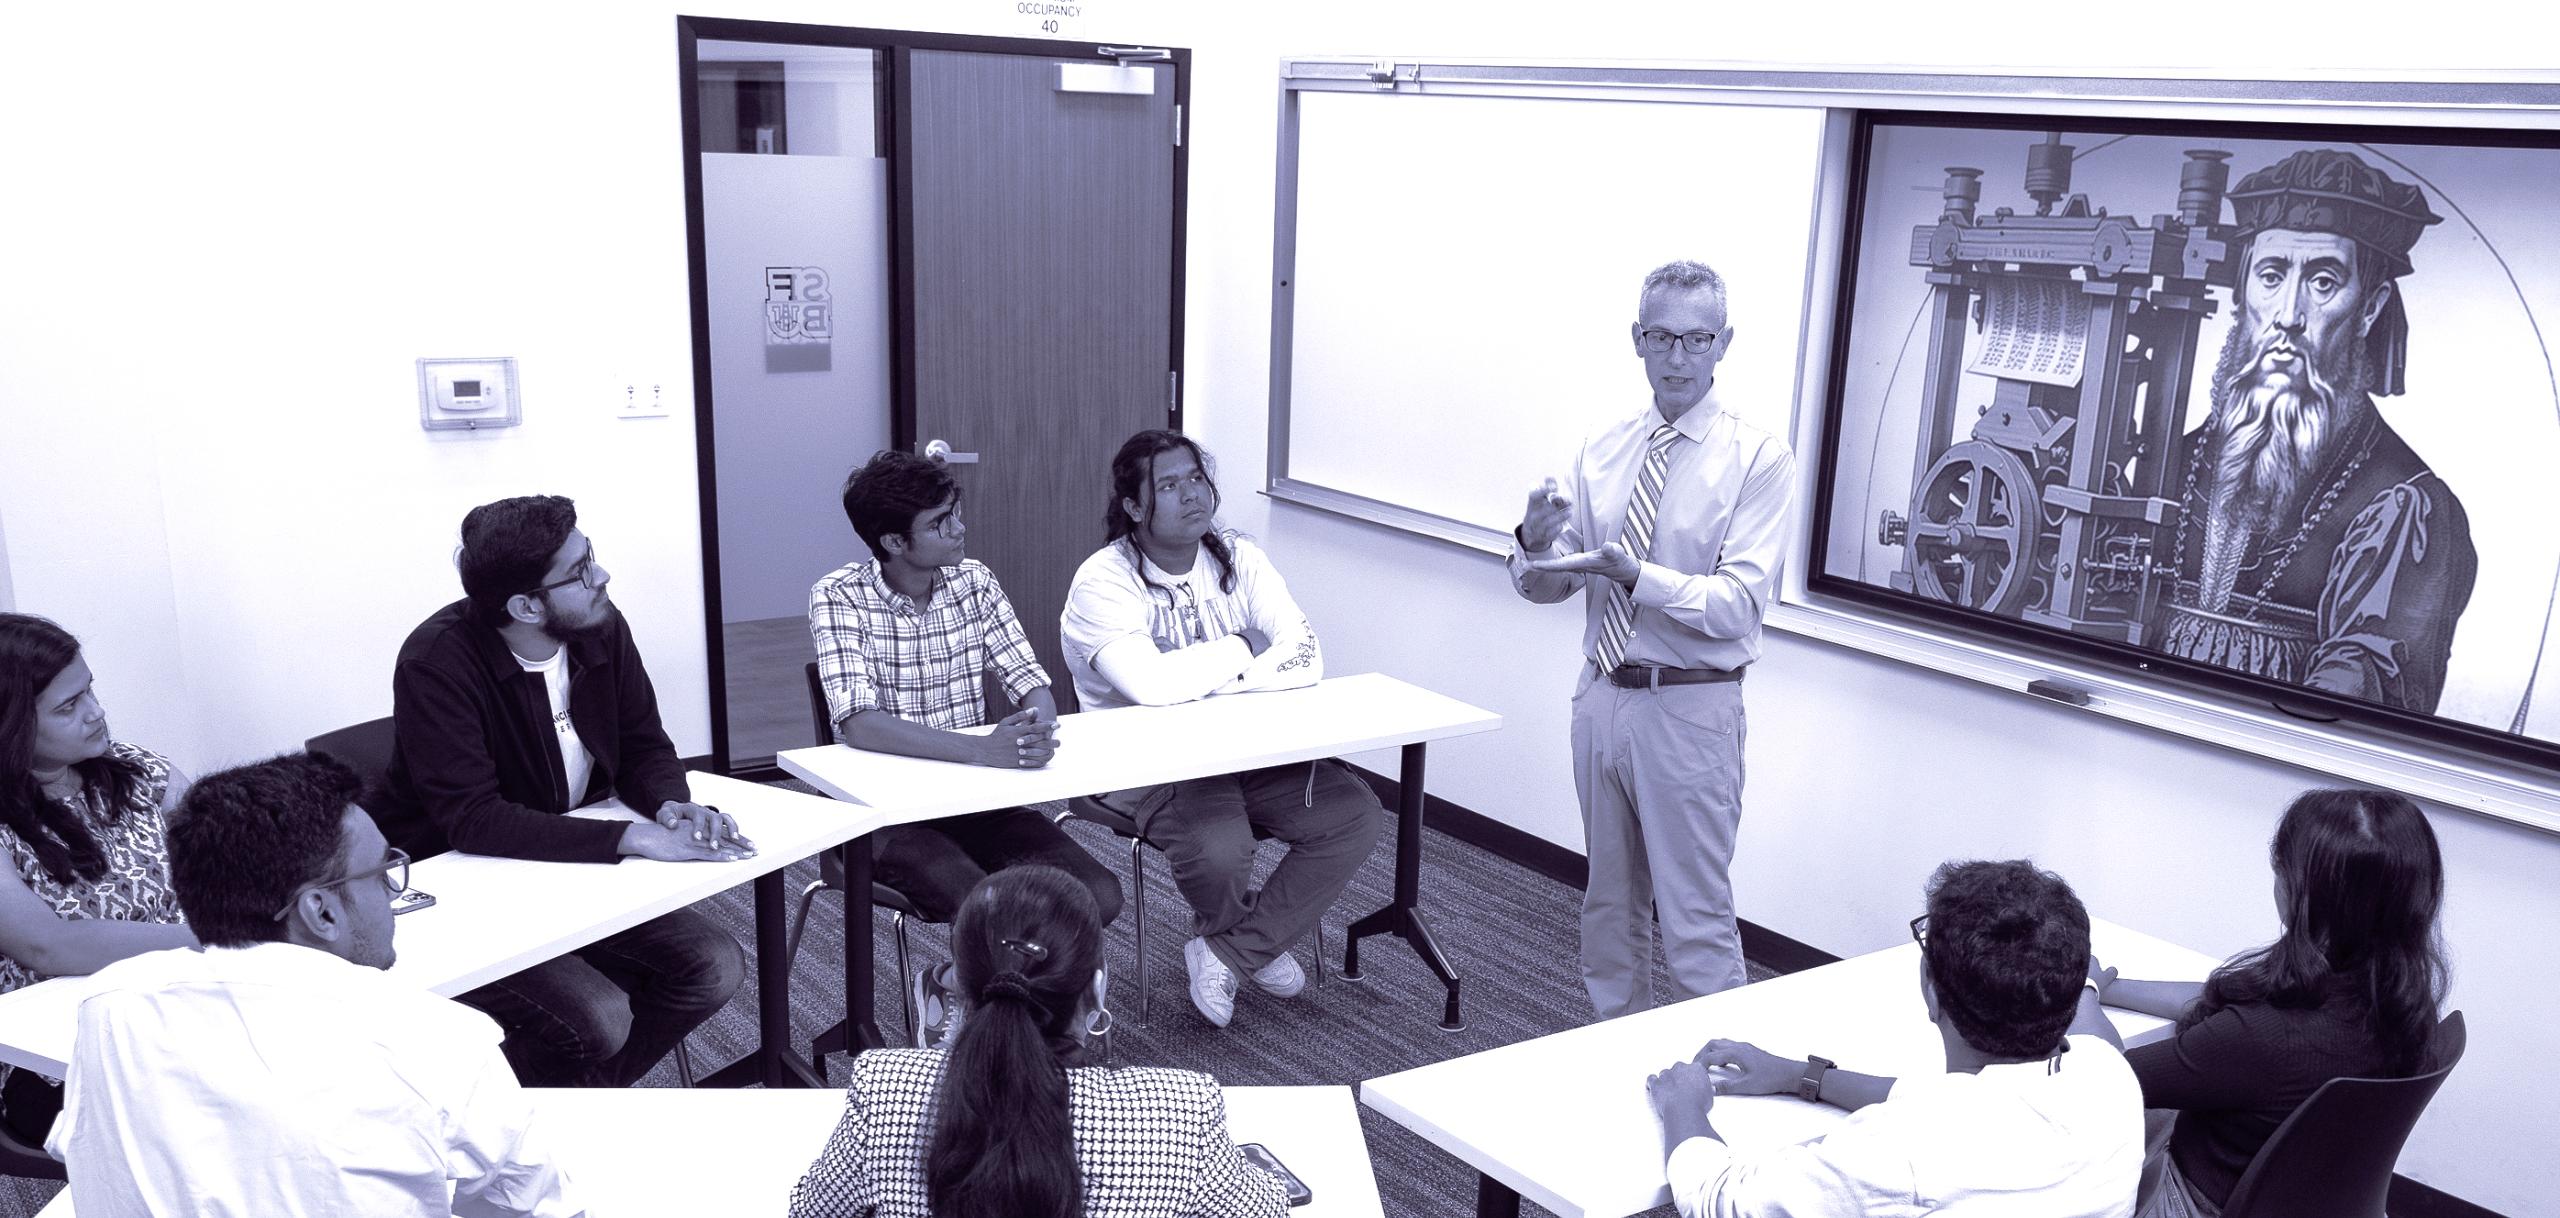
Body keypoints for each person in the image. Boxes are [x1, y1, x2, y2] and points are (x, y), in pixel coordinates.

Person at [49, 752, 582, 1217]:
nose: (392, 894)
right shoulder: (431, 1037)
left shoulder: (109, 1008)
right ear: (320, 911)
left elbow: (83, 1151)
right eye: (379, 873)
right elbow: (537, 1207)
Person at [374, 494, 748, 1086]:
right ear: (525, 605)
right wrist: (633, 836)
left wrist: (670, 802)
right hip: (466, 885)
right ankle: (520, 1120)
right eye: (579, 572)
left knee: (714, 966)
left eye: (591, 556)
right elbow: (474, 819)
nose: (601, 576)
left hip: (566, 869)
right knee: (600, 1019)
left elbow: (644, 744)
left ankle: (574, 1109)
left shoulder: (598, 624)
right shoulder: (436, 661)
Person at [1511, 259, 1795, 1018]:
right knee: (1607, 909)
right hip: (1602, 700)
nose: (1677, 357)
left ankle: (1718, 1095)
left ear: (1723, 343)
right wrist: (1534, 545)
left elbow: (1738, 606)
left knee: (1695, 921)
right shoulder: (1601, 449)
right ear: (1636, 339)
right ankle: (1619, 1070)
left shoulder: (1758, 458)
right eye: (1661, 337)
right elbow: (1549, 585)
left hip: (1691, 710)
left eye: (1695, 339)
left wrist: (1638, 575)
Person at [1059, 430, 1381, 1029]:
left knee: (1353, 815)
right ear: (1134, 507)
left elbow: (1305, 653)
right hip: (1148, 763)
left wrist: (1212, 685)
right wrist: (1242, 645)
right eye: (1169, 485)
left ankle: (1230, 949)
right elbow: (1151, 689)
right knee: (1221, 849)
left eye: (1197, 479)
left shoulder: (1240, 556)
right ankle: (1252, 941)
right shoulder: (1103, 582)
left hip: (1250, 749)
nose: (1191, 495)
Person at [813, 450, 1124, 1047]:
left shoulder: (973, 580)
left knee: (1095, 896)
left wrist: (1035, 726)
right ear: (892, 541)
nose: (959, 530)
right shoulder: (839, 596)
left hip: (978, 800)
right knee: (986, 906)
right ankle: (1023, 1030)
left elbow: (1028, 677)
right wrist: (982, 752)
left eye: (955, 514)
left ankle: (957, 984)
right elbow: (860, 724)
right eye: (939, 523)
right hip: (886, 815)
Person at [2150, 149, 2474, 713]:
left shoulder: (2401, 506)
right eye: (2271, 277)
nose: (2288, 314)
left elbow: (2359, 699)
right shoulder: (2168, 463)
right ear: (2241, 295)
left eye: (2323, 282)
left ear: (2369, 309)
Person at [1646, 859, 2142, 1217]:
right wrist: (1803, 1076)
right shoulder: (2111, 1079)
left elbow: (1721, 1200)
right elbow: (1954, 1103)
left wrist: (1683, 1106)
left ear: (1930, 988)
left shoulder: (1896, 1154)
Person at [787, 864, 1286, 1218]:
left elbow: (810, 1210)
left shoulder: (885, 1089)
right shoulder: (1180, 1112)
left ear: (958, 987)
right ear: (1094, 989)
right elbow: (1266, 1209)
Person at [2094, 789, 2448, 1218]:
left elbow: (2102, 1076)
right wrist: (2110, 986)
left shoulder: (2264, 1038)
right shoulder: (2399, 1003)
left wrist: (2082, 996)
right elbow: (2222, 995)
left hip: (2188, 1203)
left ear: (2296, 892)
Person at [0, 614, 196, 1146]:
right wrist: (213, 941)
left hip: (187, 1012)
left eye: (90, 691)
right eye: (68, 706)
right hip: (60, 1056)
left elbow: (233, 870)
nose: (97, 713)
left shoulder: (140, 773)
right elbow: (49, 945)